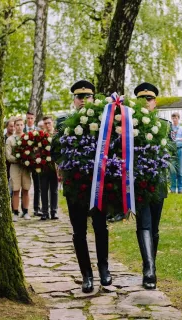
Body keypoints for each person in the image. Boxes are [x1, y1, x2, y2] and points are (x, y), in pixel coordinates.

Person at [59, 80, 112, 293]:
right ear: (74, 100)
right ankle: (86, 275)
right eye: (79, 97)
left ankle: (104, 269)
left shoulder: (103, 121)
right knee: (79, 231)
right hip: (75, 186)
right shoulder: (63, 121)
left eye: (87, 96)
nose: (83, 100)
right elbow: (56, 150)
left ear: (94, 98)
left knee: (100, 227)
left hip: (97, 186)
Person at [133, 82, 168, 289]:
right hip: (138, 183)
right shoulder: (128, 124)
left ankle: (150, 264)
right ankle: (149, 271)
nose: (146, 102)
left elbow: (170, 153)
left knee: (154, 227)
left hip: (158, 183)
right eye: (142, 99)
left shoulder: (165, 125)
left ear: (155, 102)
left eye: (149, 99)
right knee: (144, 224)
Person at [6, 117, 32, 221]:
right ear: (14, 126)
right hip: (15, 166)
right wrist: (19, 159)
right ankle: (15, 212)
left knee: (26, 189)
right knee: (16, 189)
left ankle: (25, 211)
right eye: (17, 125)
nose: (19, 127)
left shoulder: (27, 138)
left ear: (24, 126)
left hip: (25, 167)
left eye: (21, 125)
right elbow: (8, 155)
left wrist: (28, 159)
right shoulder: (10, 139)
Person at [40, 116, 58, 220]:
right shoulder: (41, 136)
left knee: (54, 190)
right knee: (43, 189)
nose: (47, 125)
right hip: (43, 166)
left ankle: (54, 211)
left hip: (54, 166)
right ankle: (45, 212)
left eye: (49, 123)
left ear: (52, 123)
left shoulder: (56, 135)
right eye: (45, 123)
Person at [24, 111, 41, 216]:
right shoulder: (22, 130)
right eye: (28, 118)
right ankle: (24, 209)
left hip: (36, 162)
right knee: (24, 186)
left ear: (34, 119)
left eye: (31, 118)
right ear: (26, 118)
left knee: (37, 186)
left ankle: (36, 208)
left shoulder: (38, 130)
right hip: (24, 161)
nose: (30, 120)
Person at [169, 112, 182, 194]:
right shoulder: (170, 128)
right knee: (172, 170)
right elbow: (169, 140)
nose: (174, 120)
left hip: (180, 150)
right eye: (173, 118)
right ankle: (173, 188)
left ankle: (180, 188)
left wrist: (176, 140)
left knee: (180, 170)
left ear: (178, 118)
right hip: (172, 151)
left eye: (176, 118)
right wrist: (180, 139)